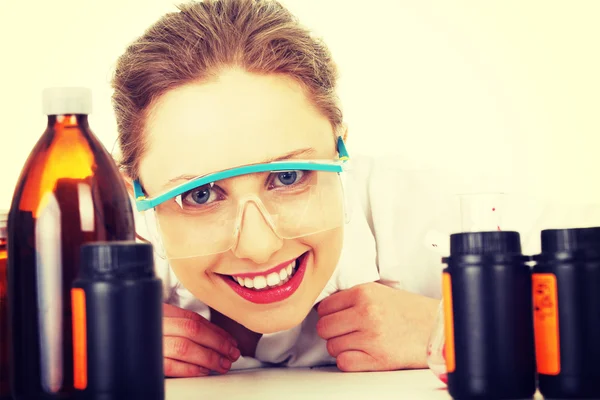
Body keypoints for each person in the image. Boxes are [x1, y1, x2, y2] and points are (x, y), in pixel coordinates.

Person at [110, 0, 460, 378]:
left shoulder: (429, 213)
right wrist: (89, 349)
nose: (259, 249)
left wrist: (449, 328)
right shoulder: (83, 257)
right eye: (201, 195)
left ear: (340, 148)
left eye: (289, 177)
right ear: (135, 194)